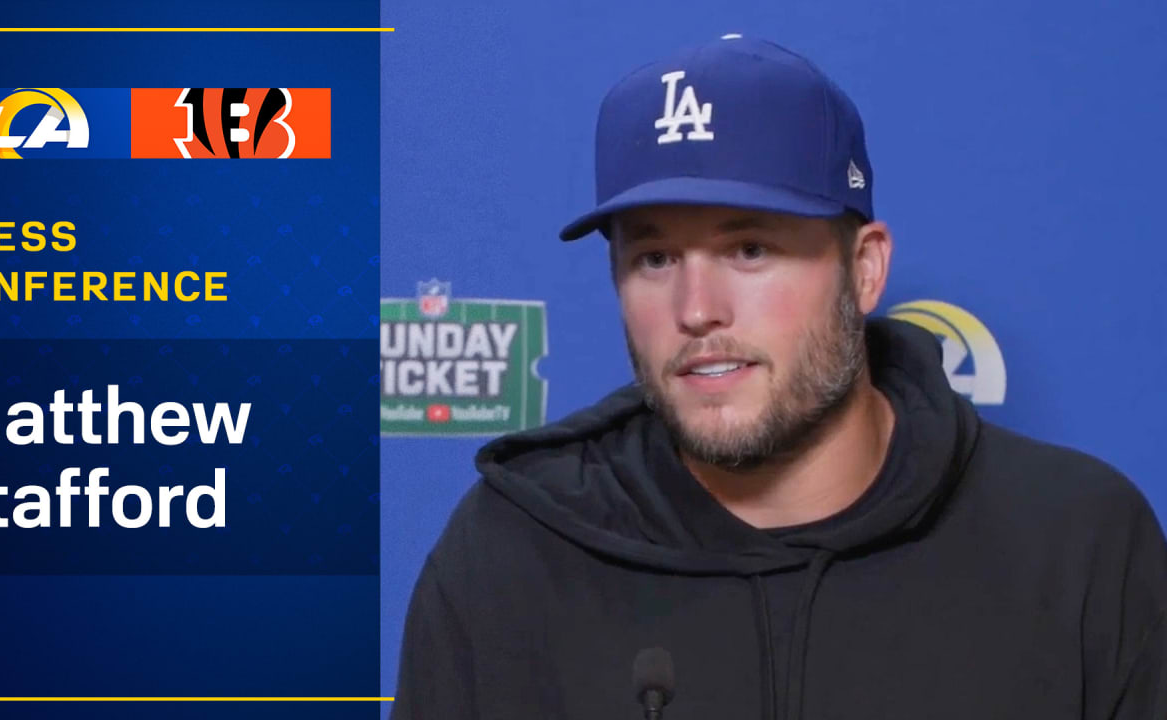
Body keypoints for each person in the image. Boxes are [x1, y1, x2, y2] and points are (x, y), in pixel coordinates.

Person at [391, 35, 1167, 720]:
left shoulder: (1079, 545)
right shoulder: (511, 552)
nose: (697, 309)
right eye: (654, 258)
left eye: (750, 249)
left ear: (863, 270)